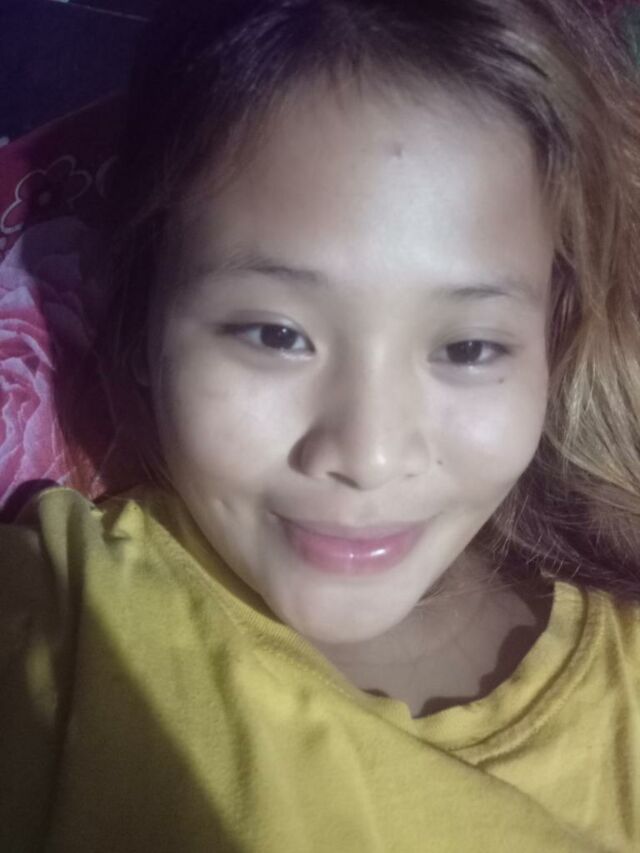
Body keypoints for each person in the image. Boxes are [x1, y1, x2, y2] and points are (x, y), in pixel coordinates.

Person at [2, 0, 640, 850]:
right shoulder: (64, 619)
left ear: (553, 343)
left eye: (468, 347)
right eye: (275, 334)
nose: (366, 454)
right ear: (142, 312)